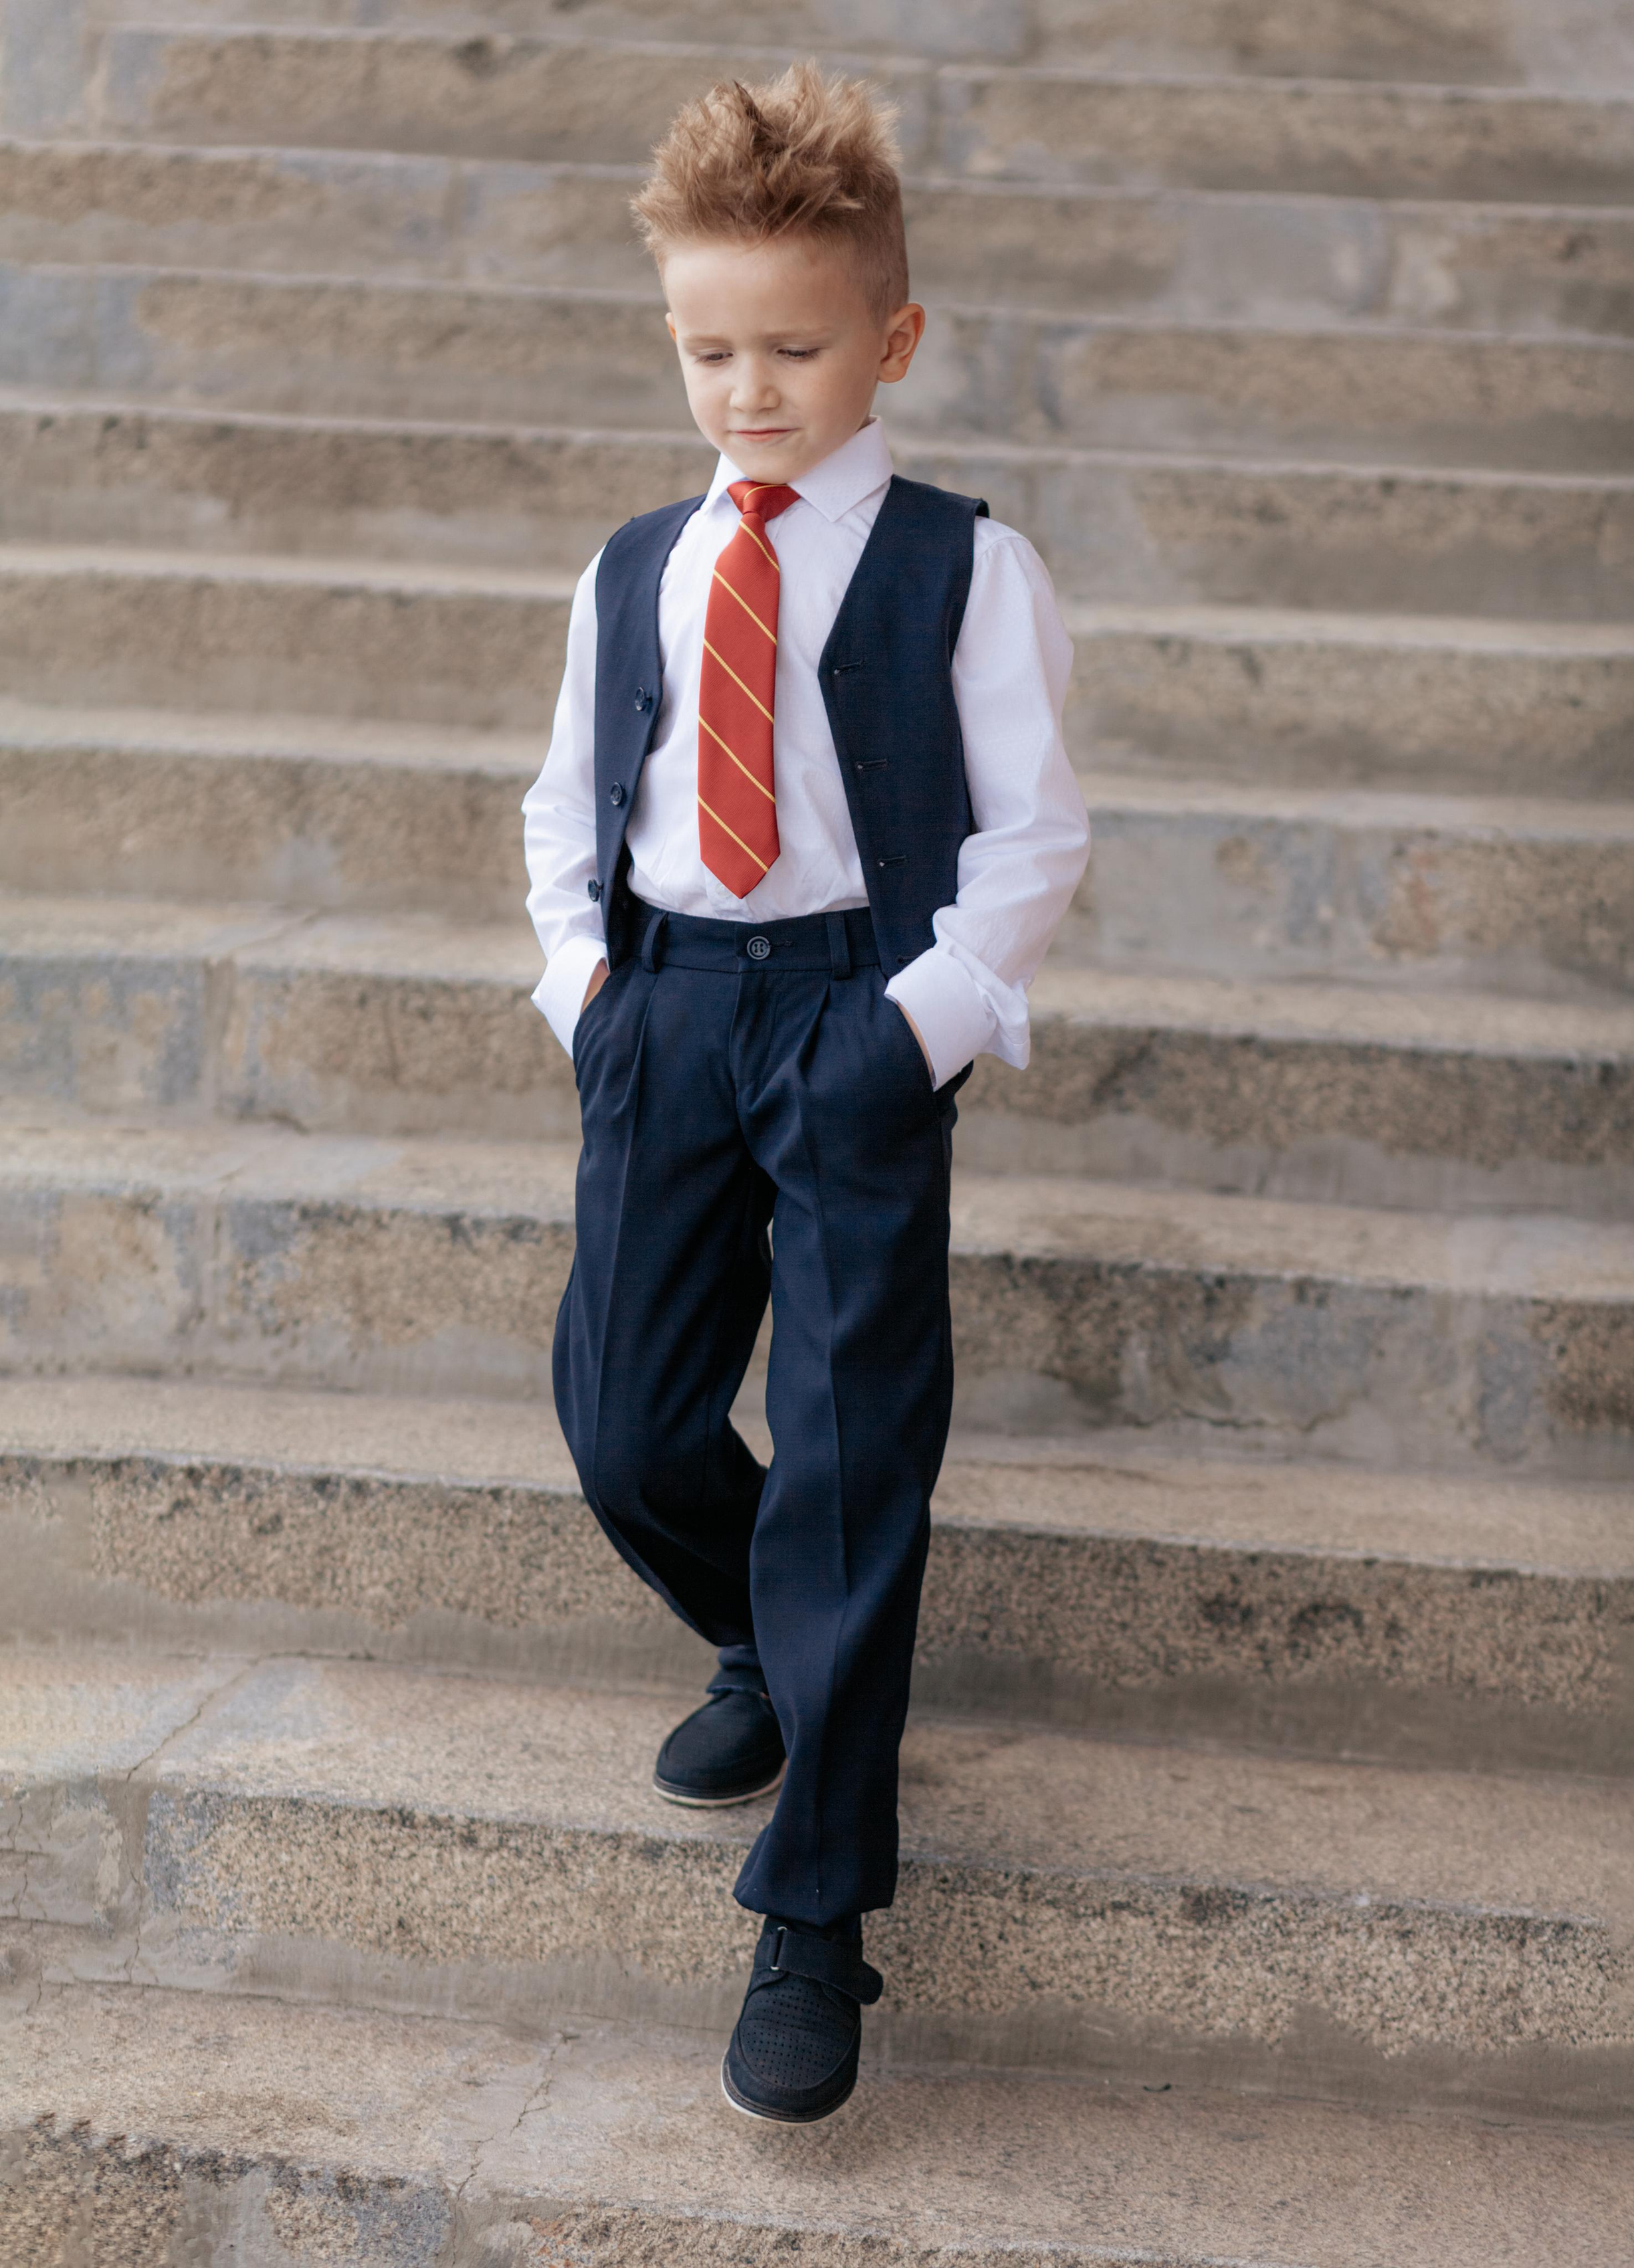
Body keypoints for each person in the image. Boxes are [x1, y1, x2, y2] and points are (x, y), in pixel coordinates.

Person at [521, 59, 1090, 2124]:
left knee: (851, 1462)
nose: (746, 391)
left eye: (792, 347)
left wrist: (914, 1029)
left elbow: (1028, 839)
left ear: (892, 341)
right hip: (671, 1012)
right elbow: (565, 796)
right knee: (624, 1419)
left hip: (854, 1013)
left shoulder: (966, 566)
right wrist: (589, 986)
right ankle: (773, 1640)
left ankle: (818, 1914)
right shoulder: (638, 564)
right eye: (706, 350)